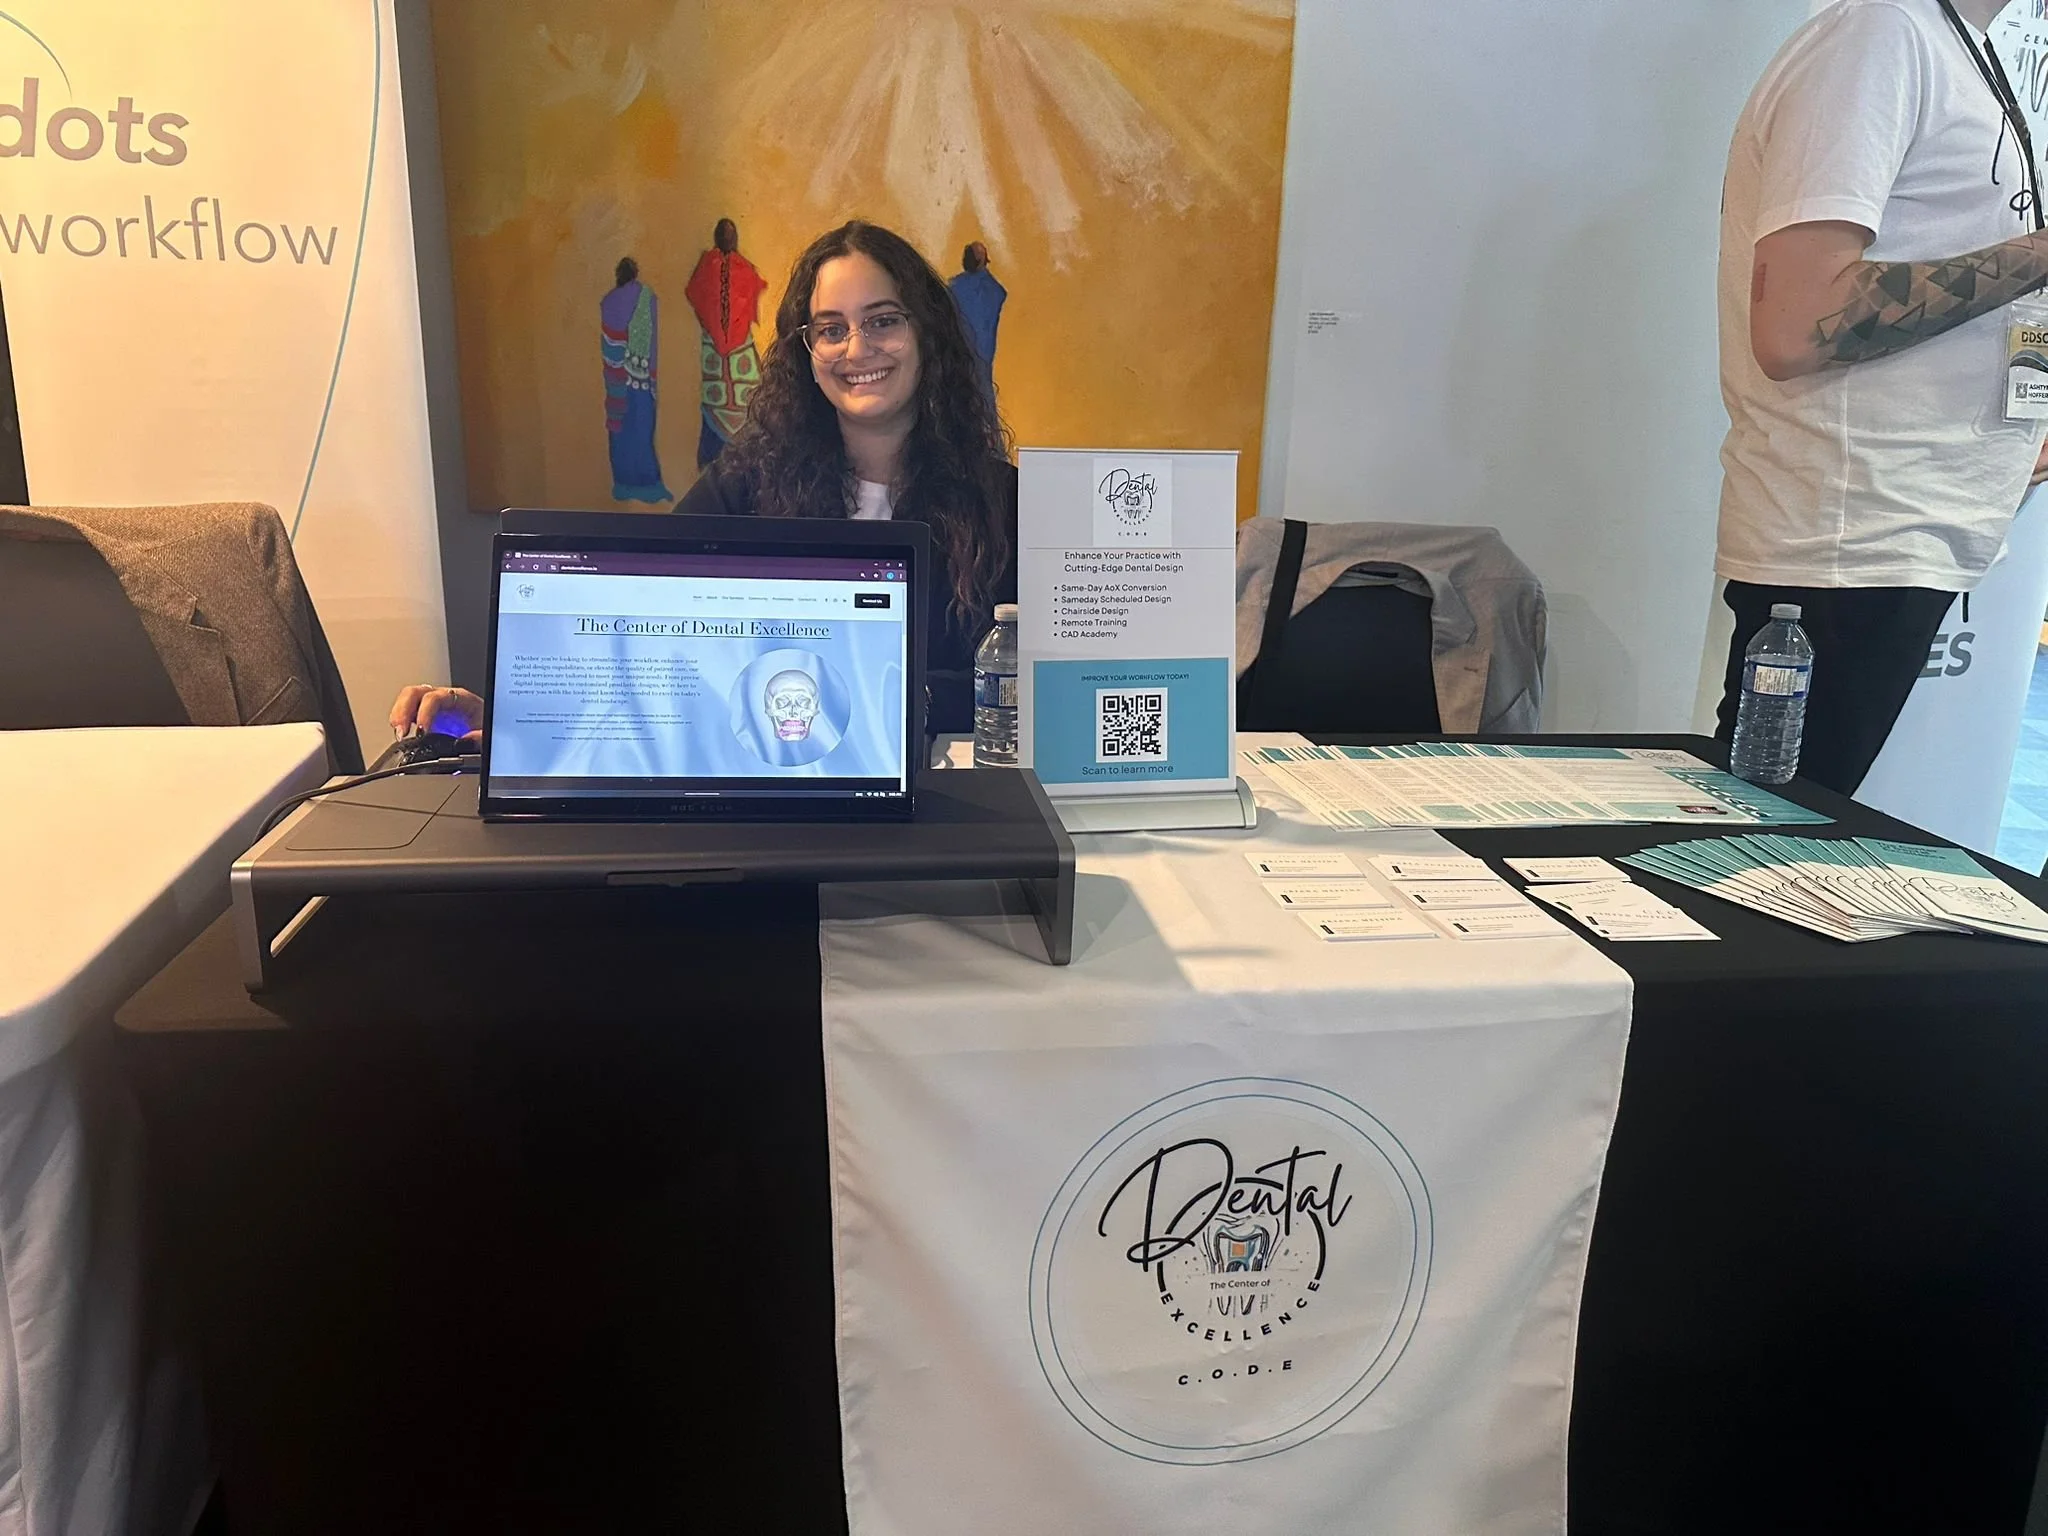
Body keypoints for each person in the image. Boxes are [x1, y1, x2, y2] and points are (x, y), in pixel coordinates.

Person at [391, 220, 1016, 742]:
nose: (856, 348)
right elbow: (642, 636)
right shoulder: (748, 482)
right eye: (830, 329)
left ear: (926, 332)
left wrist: (891, 696)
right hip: (775, 820)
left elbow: (1037, 688)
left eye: (883, 320)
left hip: (953, 827)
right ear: (807, 350)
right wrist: (511, 718)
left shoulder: (1009, 504)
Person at [1713, 0, 2048, 796]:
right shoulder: (1879, 35)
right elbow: (1795, 326)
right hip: (1850, 533)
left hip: (1913, 522)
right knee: (1754, 848)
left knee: (1785, 842)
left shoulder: (1960, 46)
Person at [685, 219, 769, 469]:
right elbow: (754, 292)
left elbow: (695, 295)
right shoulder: (743, 268)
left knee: (718, 404)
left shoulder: (705, 267)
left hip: (715, 358)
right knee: (743, 405)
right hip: (739, 357)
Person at [599, 257, 672, 504]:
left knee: (625, 431)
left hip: (617, 381)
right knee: (641, 430)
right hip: (641, 380)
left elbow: (609, 346)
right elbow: (651, 345)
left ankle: (625, 483)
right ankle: (646, 484)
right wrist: (651, 379)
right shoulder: (646, 297)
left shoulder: (609, 301)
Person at [947, 241, 1006, 408]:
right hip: (980, 350)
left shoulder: (954, 286)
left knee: (965, 395)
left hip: (963, 350)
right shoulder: (990, 288)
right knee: (982, 394)